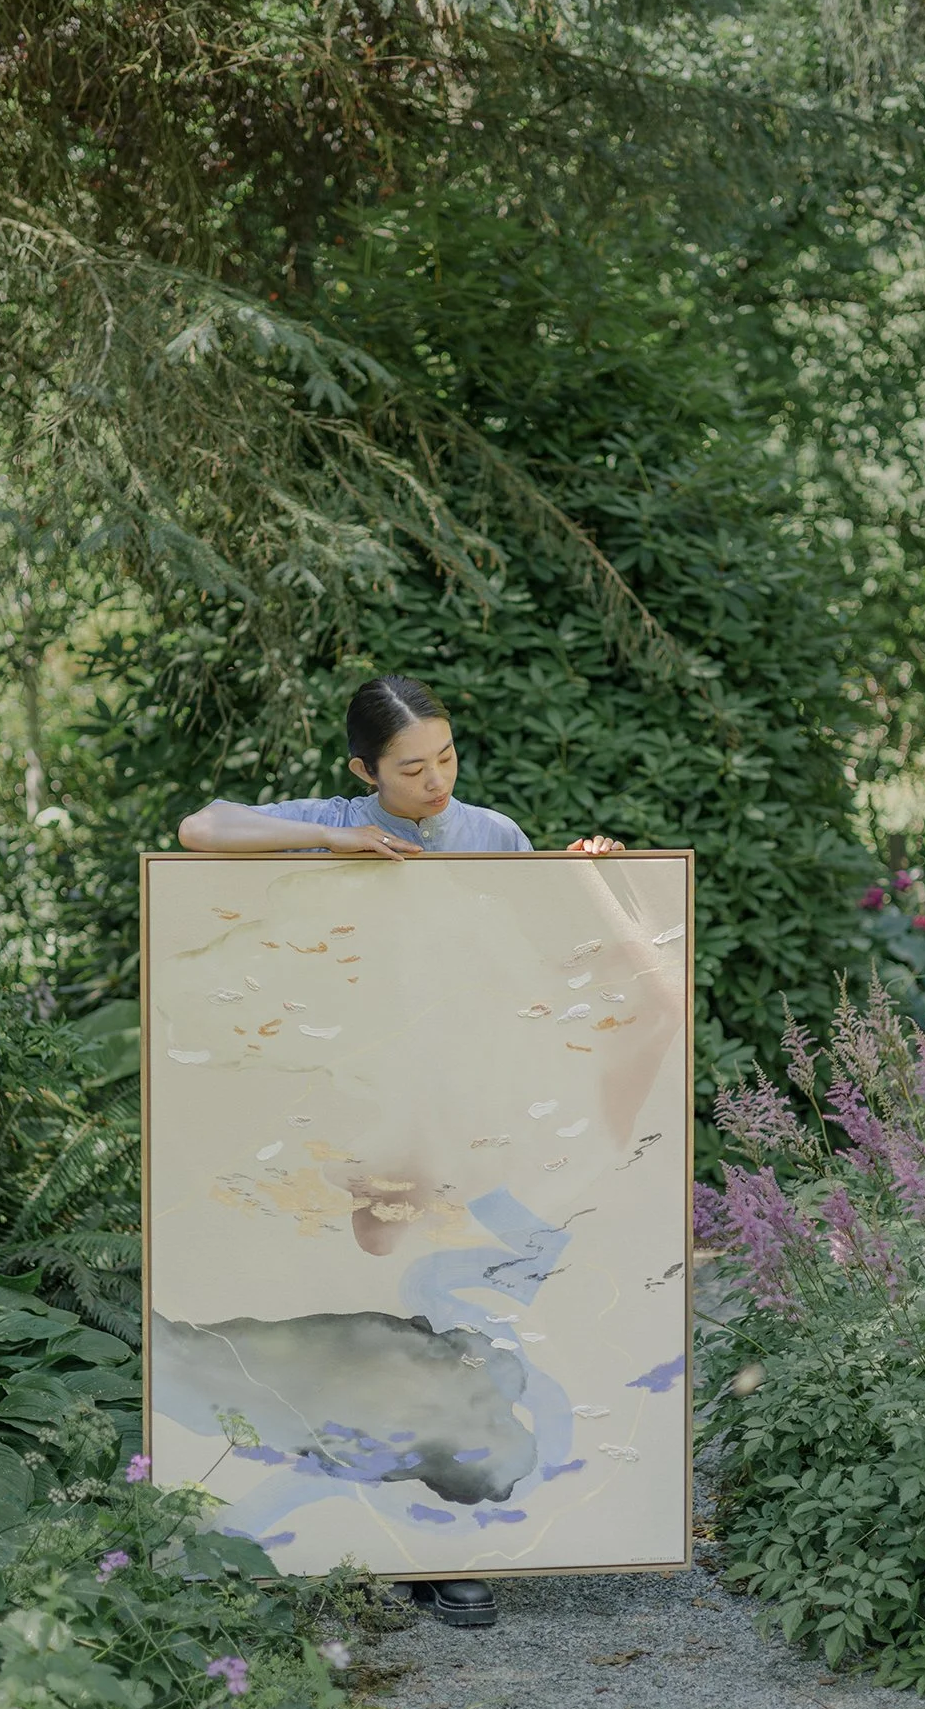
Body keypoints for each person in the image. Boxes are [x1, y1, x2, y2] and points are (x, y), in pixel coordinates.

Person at [176, 673, 621, 1629]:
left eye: (446, 758)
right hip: (349, 1112)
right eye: (411, 768)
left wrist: (591, 871)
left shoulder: (491, 834)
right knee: (361, 1313)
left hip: (470, 1111)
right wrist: (338, 844)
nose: (435, 781)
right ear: (363, 771)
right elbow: (200, 829)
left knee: (455, 1327)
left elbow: (544, 957)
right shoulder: (333, 820)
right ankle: (341, 1536)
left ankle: (448, 1546)